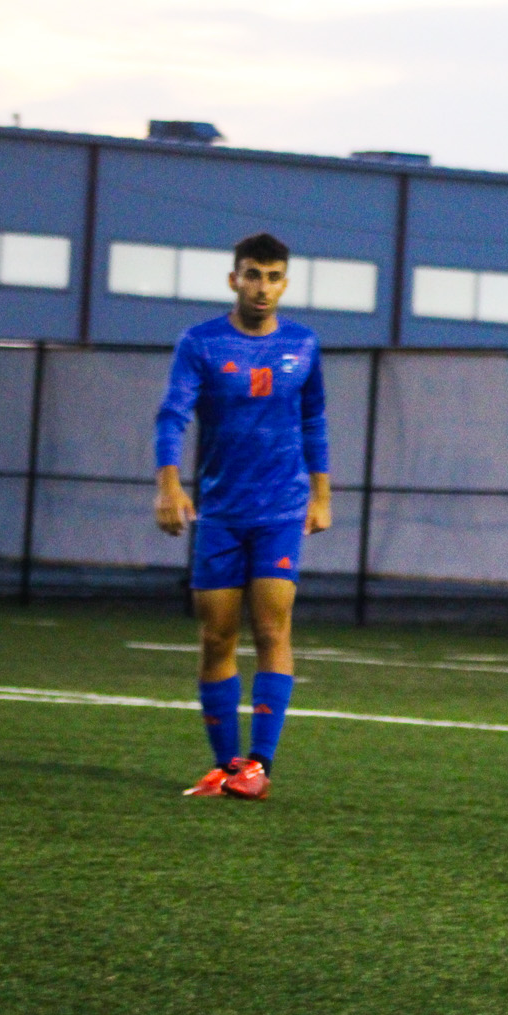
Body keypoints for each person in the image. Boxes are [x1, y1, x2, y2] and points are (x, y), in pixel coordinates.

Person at [153, 233, 331, 801]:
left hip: (280, 508)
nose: (262, 286)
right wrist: (169, 485)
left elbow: (315, 422)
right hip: (221, 512)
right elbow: (171, 416)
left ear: (285, 282)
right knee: (216, 637)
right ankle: (226, 766)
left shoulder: (303, 345)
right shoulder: (200, 343)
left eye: (273, 276)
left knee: (274, 628)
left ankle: (259, 766)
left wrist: (322, 496)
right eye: (252, 274)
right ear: (234, 279)